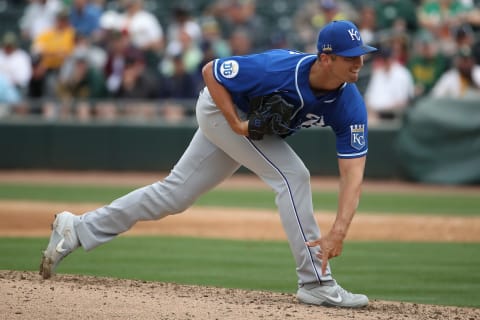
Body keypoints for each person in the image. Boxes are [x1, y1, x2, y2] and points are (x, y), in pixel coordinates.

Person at [40, 20, 376, 309]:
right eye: (351, 56)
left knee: (173, 195)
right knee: (293, 177)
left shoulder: (349, 103)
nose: (359, 62)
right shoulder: (276, 68)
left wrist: (339, 231)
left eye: (362, 54)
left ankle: (77, 228)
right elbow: (211, 72)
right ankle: (315, 284)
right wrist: (235, 123)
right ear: (326, 58)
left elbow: (353, 174)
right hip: (219, 110)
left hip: (246, 126)